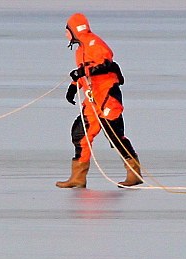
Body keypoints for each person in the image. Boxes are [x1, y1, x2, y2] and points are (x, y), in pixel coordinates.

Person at [56, 12, 143, 188]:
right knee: (80, 134)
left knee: (114, 134)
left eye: (67, 30)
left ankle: (134, 174)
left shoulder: (94, 43)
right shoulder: (81, 49)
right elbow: (84, 70)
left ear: (74, 30)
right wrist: (74, 86)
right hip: (92, 99)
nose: (66, 34)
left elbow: (104, 63)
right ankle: (78, 177)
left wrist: (83, 73)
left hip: (107, 97)